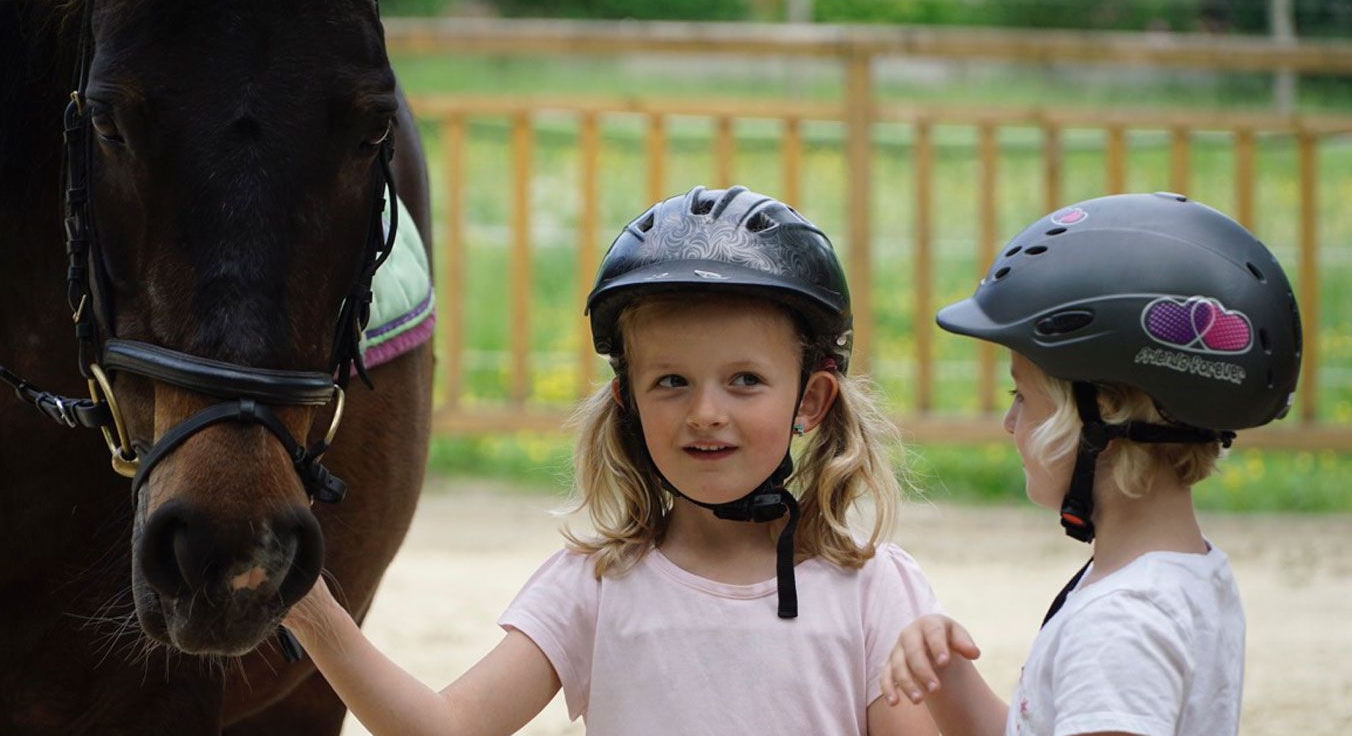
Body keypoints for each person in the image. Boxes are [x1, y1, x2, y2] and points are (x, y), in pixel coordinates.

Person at [284, 185, 942, 735]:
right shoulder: (594, 584)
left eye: (744, 380)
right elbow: (444, 727)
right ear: (628, 400)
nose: (706, 411)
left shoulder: (874, 589)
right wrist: (306, 600)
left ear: (813, 398)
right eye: (672, 381)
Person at [877, 192, 1303, 736]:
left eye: (1023, 397)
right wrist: (950, 681)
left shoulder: (1122, 625)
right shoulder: (1185, 578)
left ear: (1103, 416)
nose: (1009, 422)